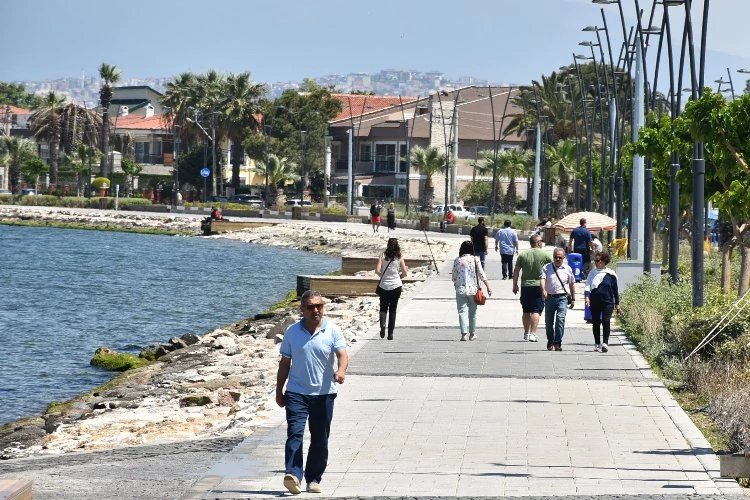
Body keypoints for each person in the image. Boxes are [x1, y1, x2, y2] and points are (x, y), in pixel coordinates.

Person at [276, 290, 349, 494]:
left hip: (324, 393)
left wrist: (341, 371)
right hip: (296, 392)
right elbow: (284, 364)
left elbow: (342, 354)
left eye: (319, 306)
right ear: (302, 309)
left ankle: (313, 479)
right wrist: (279, 391)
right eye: (310, 307)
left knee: (320, 437)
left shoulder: (332, 330)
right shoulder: (292, 332)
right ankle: (293, 475)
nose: (316, 310)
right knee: (295, 433)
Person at [513, 234, 552, 343]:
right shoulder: (545, 255)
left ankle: (526, 333)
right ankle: (533, 334)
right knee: (536, 310)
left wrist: (515, 284)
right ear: (538, 242)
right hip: (539, 286)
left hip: (525, 286)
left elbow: (516, 270)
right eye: (541, 241)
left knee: (526, 310)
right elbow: (552, 268)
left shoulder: (523, 254)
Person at [452, 240, 492, 341]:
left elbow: (454, 276)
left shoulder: (457, 260)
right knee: (472, 312)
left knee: (462, 312)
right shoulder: (475, 259)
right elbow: (482, 274)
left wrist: (456, 284)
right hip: (473, 290)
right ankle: (472, 334)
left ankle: (463, 334)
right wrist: (488, 287)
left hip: (460, 289)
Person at [584, 251, 622, 353]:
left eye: (598, 260)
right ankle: (597, 343)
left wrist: (617, 304)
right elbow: (588, 286)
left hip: (608, 302)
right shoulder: (592, 273)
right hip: (595, 301)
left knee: (606, 321)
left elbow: (615, 290)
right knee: (596, 322)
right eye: (595, 260)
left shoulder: (611, 274)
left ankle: (605, 343)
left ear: (604, 261)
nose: (596, 262)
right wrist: (587, 297)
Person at [540, 247, 575, 351]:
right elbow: (542, 279)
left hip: (562, 298)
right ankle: (550, 340)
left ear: (564, 257)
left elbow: (572, 284)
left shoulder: (568, 269)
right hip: (549, 298)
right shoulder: (547, 267)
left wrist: (573, 298)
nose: (557, 259)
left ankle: (557, 342)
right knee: (549, 323)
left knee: (560, 320)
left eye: (560, 257)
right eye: (556, 257)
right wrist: (543, 290)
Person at [376, 238, 408, 340]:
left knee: (383, 308)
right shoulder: (399, 256)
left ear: (388, 245)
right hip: (396, 286)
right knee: (393, 310)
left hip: (384, 285)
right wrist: (399, 277)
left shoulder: (382, 255)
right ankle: (390, 334)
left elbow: (377, 271)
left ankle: (382, 325)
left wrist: (383, 276)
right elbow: (405, 273)